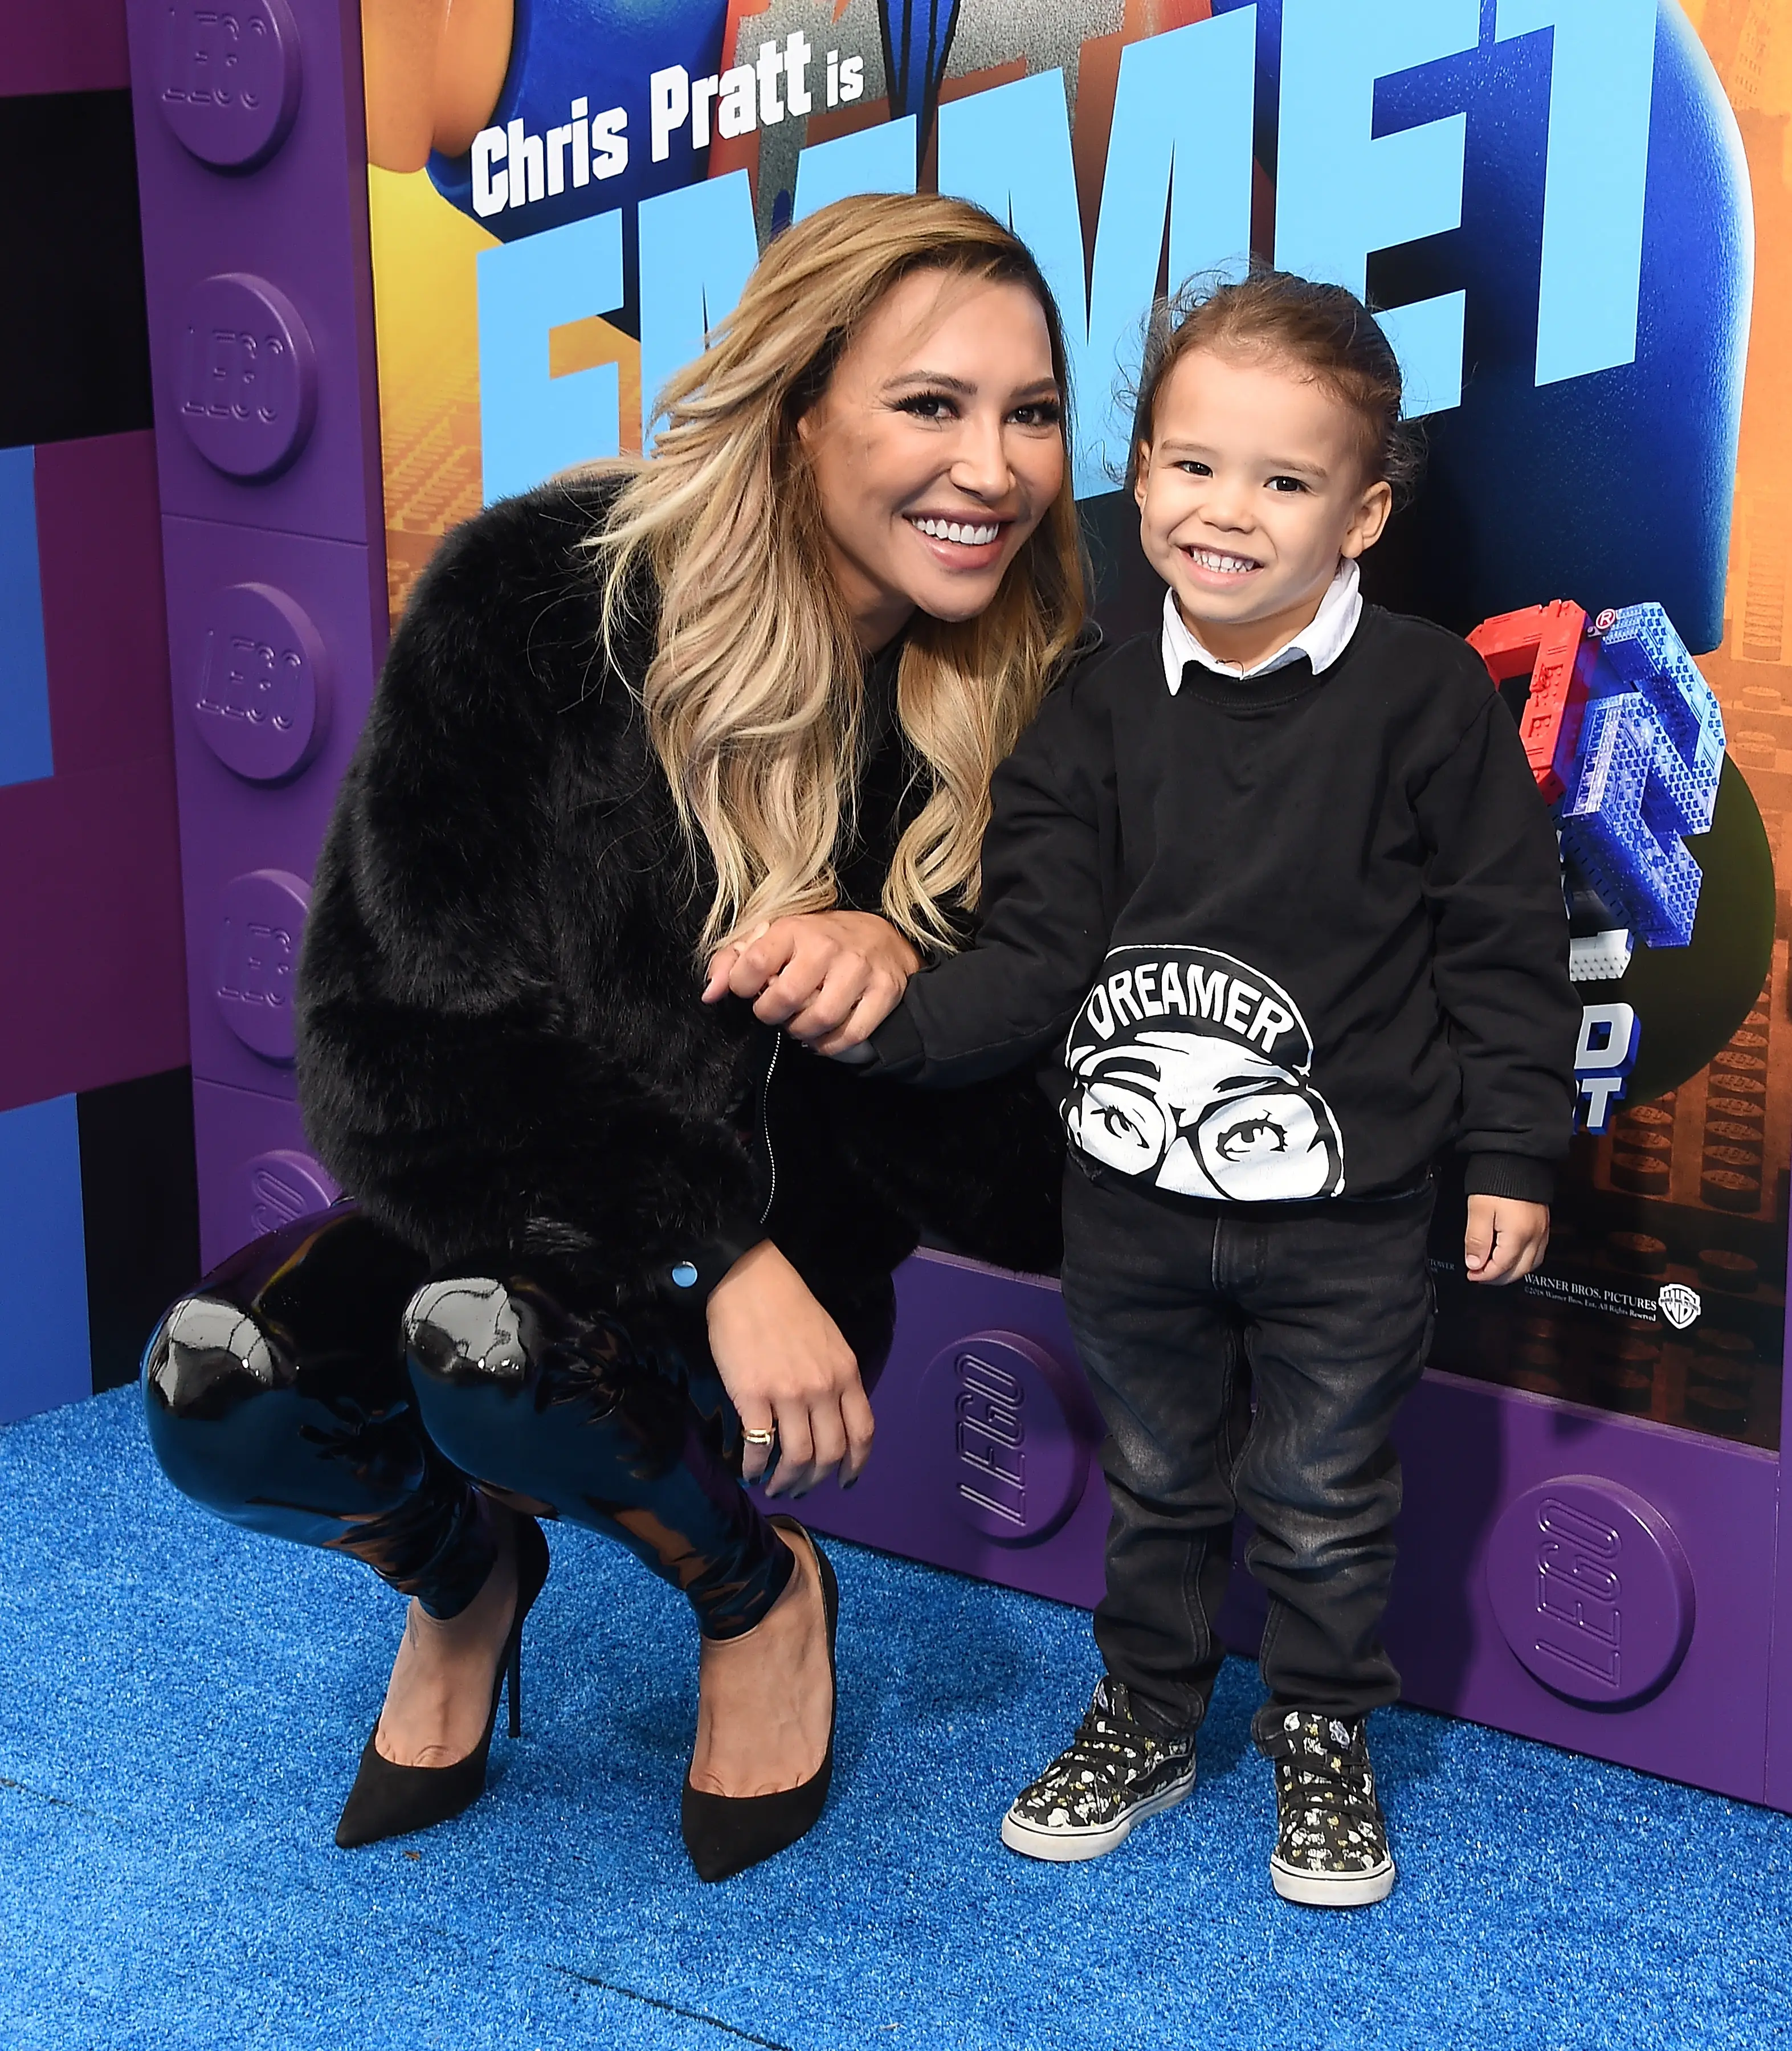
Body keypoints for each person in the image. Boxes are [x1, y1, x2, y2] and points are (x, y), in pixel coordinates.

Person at [141, 193, 1085, 1882]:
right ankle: (465, 1578)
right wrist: (715, 1249)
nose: (992, 467)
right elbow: (388, 1033)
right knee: (226, 1377)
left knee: (494, 1343)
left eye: (1033, 413)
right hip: (559, 1220)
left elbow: (1042, 1178)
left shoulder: (1053, 707)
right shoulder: (536, 597)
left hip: (780, 1315)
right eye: (930, 405)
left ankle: (758, 1594)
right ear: (798, 411)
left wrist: (912, 974)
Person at [716, 271, 1579, 1905]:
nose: (1224, 511)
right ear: (1140, 468)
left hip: (1351, 1223)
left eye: (1283, 479)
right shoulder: (1093, 706)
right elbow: (1037, 956)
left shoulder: (1427, 700)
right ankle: (1148, 1715)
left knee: (1323, 1498)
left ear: (1363, 514)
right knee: (1162, 1485)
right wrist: (878, 1026)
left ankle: (1321, 1729)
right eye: (1191, 464)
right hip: (1128, 1215)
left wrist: (1515, 1155)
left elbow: (1504, 946)